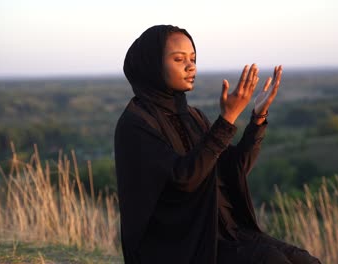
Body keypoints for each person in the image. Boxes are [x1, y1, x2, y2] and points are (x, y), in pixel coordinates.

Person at [114, 25, 321, 264]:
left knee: (304, 260)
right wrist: (227, 119)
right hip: (179, 245)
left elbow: (234, 169)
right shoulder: (136, 124)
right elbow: (184, 178)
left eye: (193, 58)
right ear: (152, 65)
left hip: (224, 232)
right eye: (179, 59)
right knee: (270, 260)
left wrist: (258, 118)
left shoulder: (193, 116)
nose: (190, 66)